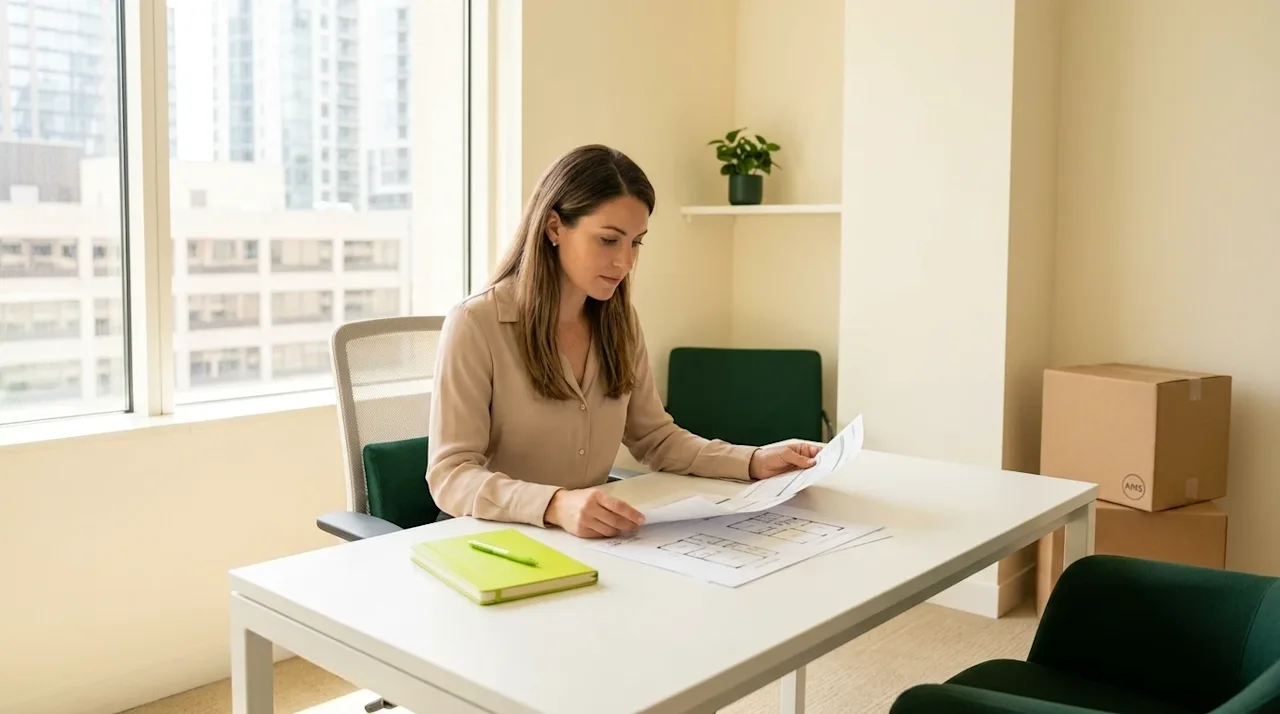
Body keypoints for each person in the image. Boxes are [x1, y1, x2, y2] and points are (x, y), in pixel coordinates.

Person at [426, 144, 822, 538]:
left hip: (585, 541)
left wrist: (753, 460)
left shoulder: (620, 324)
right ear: (554, 228)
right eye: (609, 240)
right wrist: (556, 504)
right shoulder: (476, 324)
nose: (626, 262)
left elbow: (656, 439)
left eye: (636, 242)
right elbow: (450, 475)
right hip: (490, 541)